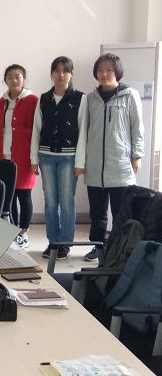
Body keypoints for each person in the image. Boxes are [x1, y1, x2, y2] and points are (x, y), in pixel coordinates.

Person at [83, 53, 144, 262]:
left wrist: (137, 155)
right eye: (100, 70)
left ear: (117, 71)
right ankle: (97, 246)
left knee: (120, 213)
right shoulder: (90, 99)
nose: (104, 74)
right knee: (97, 213)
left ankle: (118, 249)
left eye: (109, 70)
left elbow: (137, 127)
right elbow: (85, 131)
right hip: (95, 165)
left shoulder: (130, 95)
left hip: (120, 164)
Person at [30, 56, 87, 260]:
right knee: (50, 201)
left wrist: (80, 162)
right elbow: (36, 130)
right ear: (51, 74)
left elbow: (82, 132)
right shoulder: (44, 99)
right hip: (46, 156)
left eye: (65, 71)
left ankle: (65, 243)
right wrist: (34, 159)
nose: (61, 75)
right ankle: (53, 242)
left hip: (68, 158)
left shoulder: (80, 98)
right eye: (57, 71)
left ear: (71, 74)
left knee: (66, 201)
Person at [0, 64, 38, 248]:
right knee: (8, 197)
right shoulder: (1, 102)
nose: (14, 80)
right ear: (5, 80)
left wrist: (35, 158)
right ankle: (11, 232)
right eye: (9, 77)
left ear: (24, 79)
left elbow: (37, 130)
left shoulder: (33, 100)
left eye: (17, 76)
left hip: (24, 157)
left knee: (24, 197)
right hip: (3, 156)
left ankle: (24, 233)